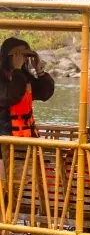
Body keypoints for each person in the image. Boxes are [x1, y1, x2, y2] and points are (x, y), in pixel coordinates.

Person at [0, 38, 55, 185]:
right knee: (4, 183)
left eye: (25, 56)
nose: (23, 59)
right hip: (4, 142)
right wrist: (17, 71)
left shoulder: (24, 77)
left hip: (25, 138)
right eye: (19, 55)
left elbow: (45, 93)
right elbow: (12, 96)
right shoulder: (4, 78)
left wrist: (39, 69)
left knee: (25, 182)